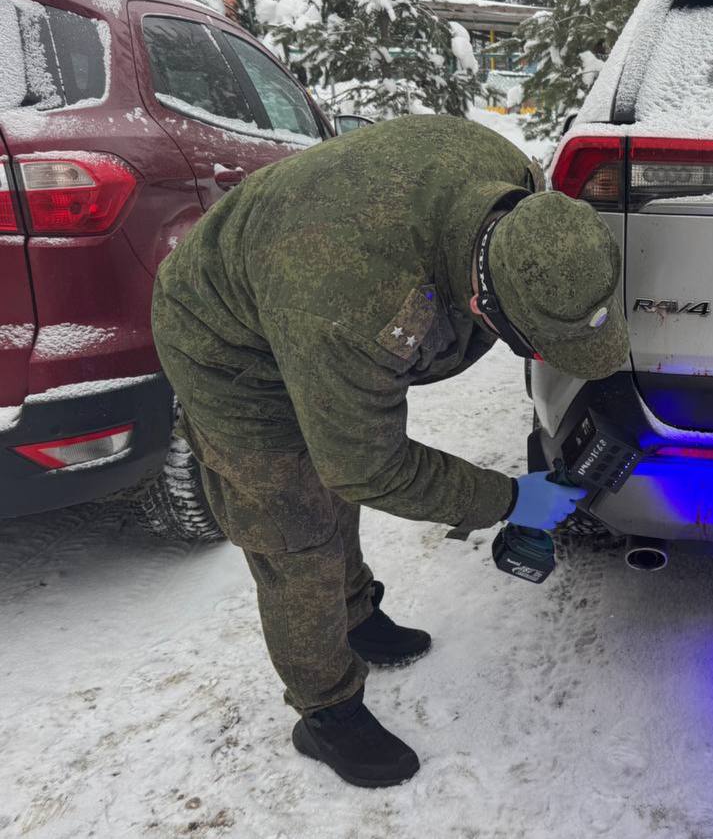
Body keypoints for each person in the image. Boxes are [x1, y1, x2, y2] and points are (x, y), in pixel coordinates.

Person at [151, 114, 628, 789]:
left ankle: (353, 613)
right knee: (294, 524)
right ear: (479, 305)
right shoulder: (361, 309)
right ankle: (325, 711)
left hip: (298, 283)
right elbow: (366, 466)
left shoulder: (511, 184)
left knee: (332, 461)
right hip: (226, 338)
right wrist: (510, 498)